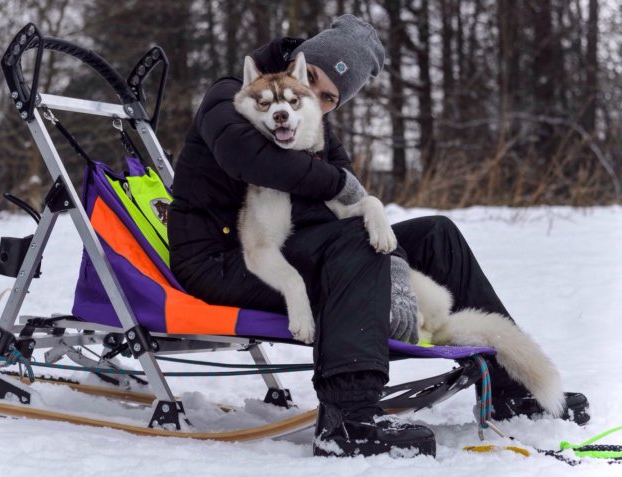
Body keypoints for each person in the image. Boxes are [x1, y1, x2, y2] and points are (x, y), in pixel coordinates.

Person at [168, 14, 589, 458]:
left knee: (435, 233)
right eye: (309, 76)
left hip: (289, 251)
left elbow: (352, 194)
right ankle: (348, 418)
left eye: (326, 97)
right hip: (220, 258)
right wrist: (341, 195)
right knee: (355, 243)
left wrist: (385, 249)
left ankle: (512, 388)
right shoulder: (228, 96)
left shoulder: (313, 125)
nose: (311, 98)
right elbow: (249, 157)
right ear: (296, 61)